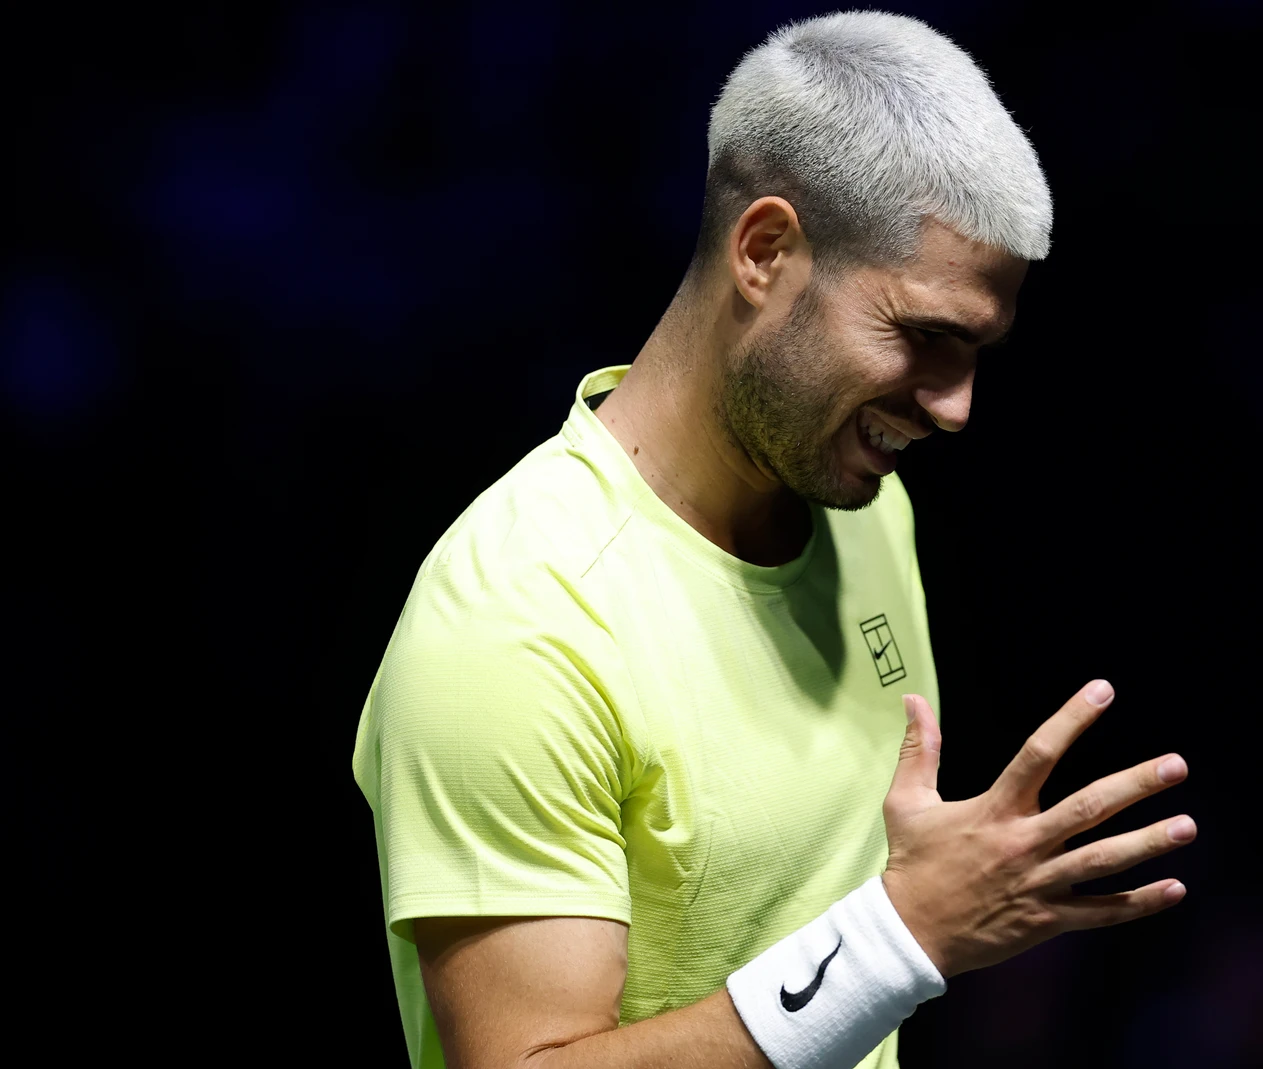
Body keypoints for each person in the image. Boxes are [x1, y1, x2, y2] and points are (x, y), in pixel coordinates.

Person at [351, 12, 1196, 1069]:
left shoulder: (864, 506)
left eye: (978, 351)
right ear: (764, 251)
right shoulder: (518, 620)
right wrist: (898, 938)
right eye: (924, 336)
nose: (956, 407)